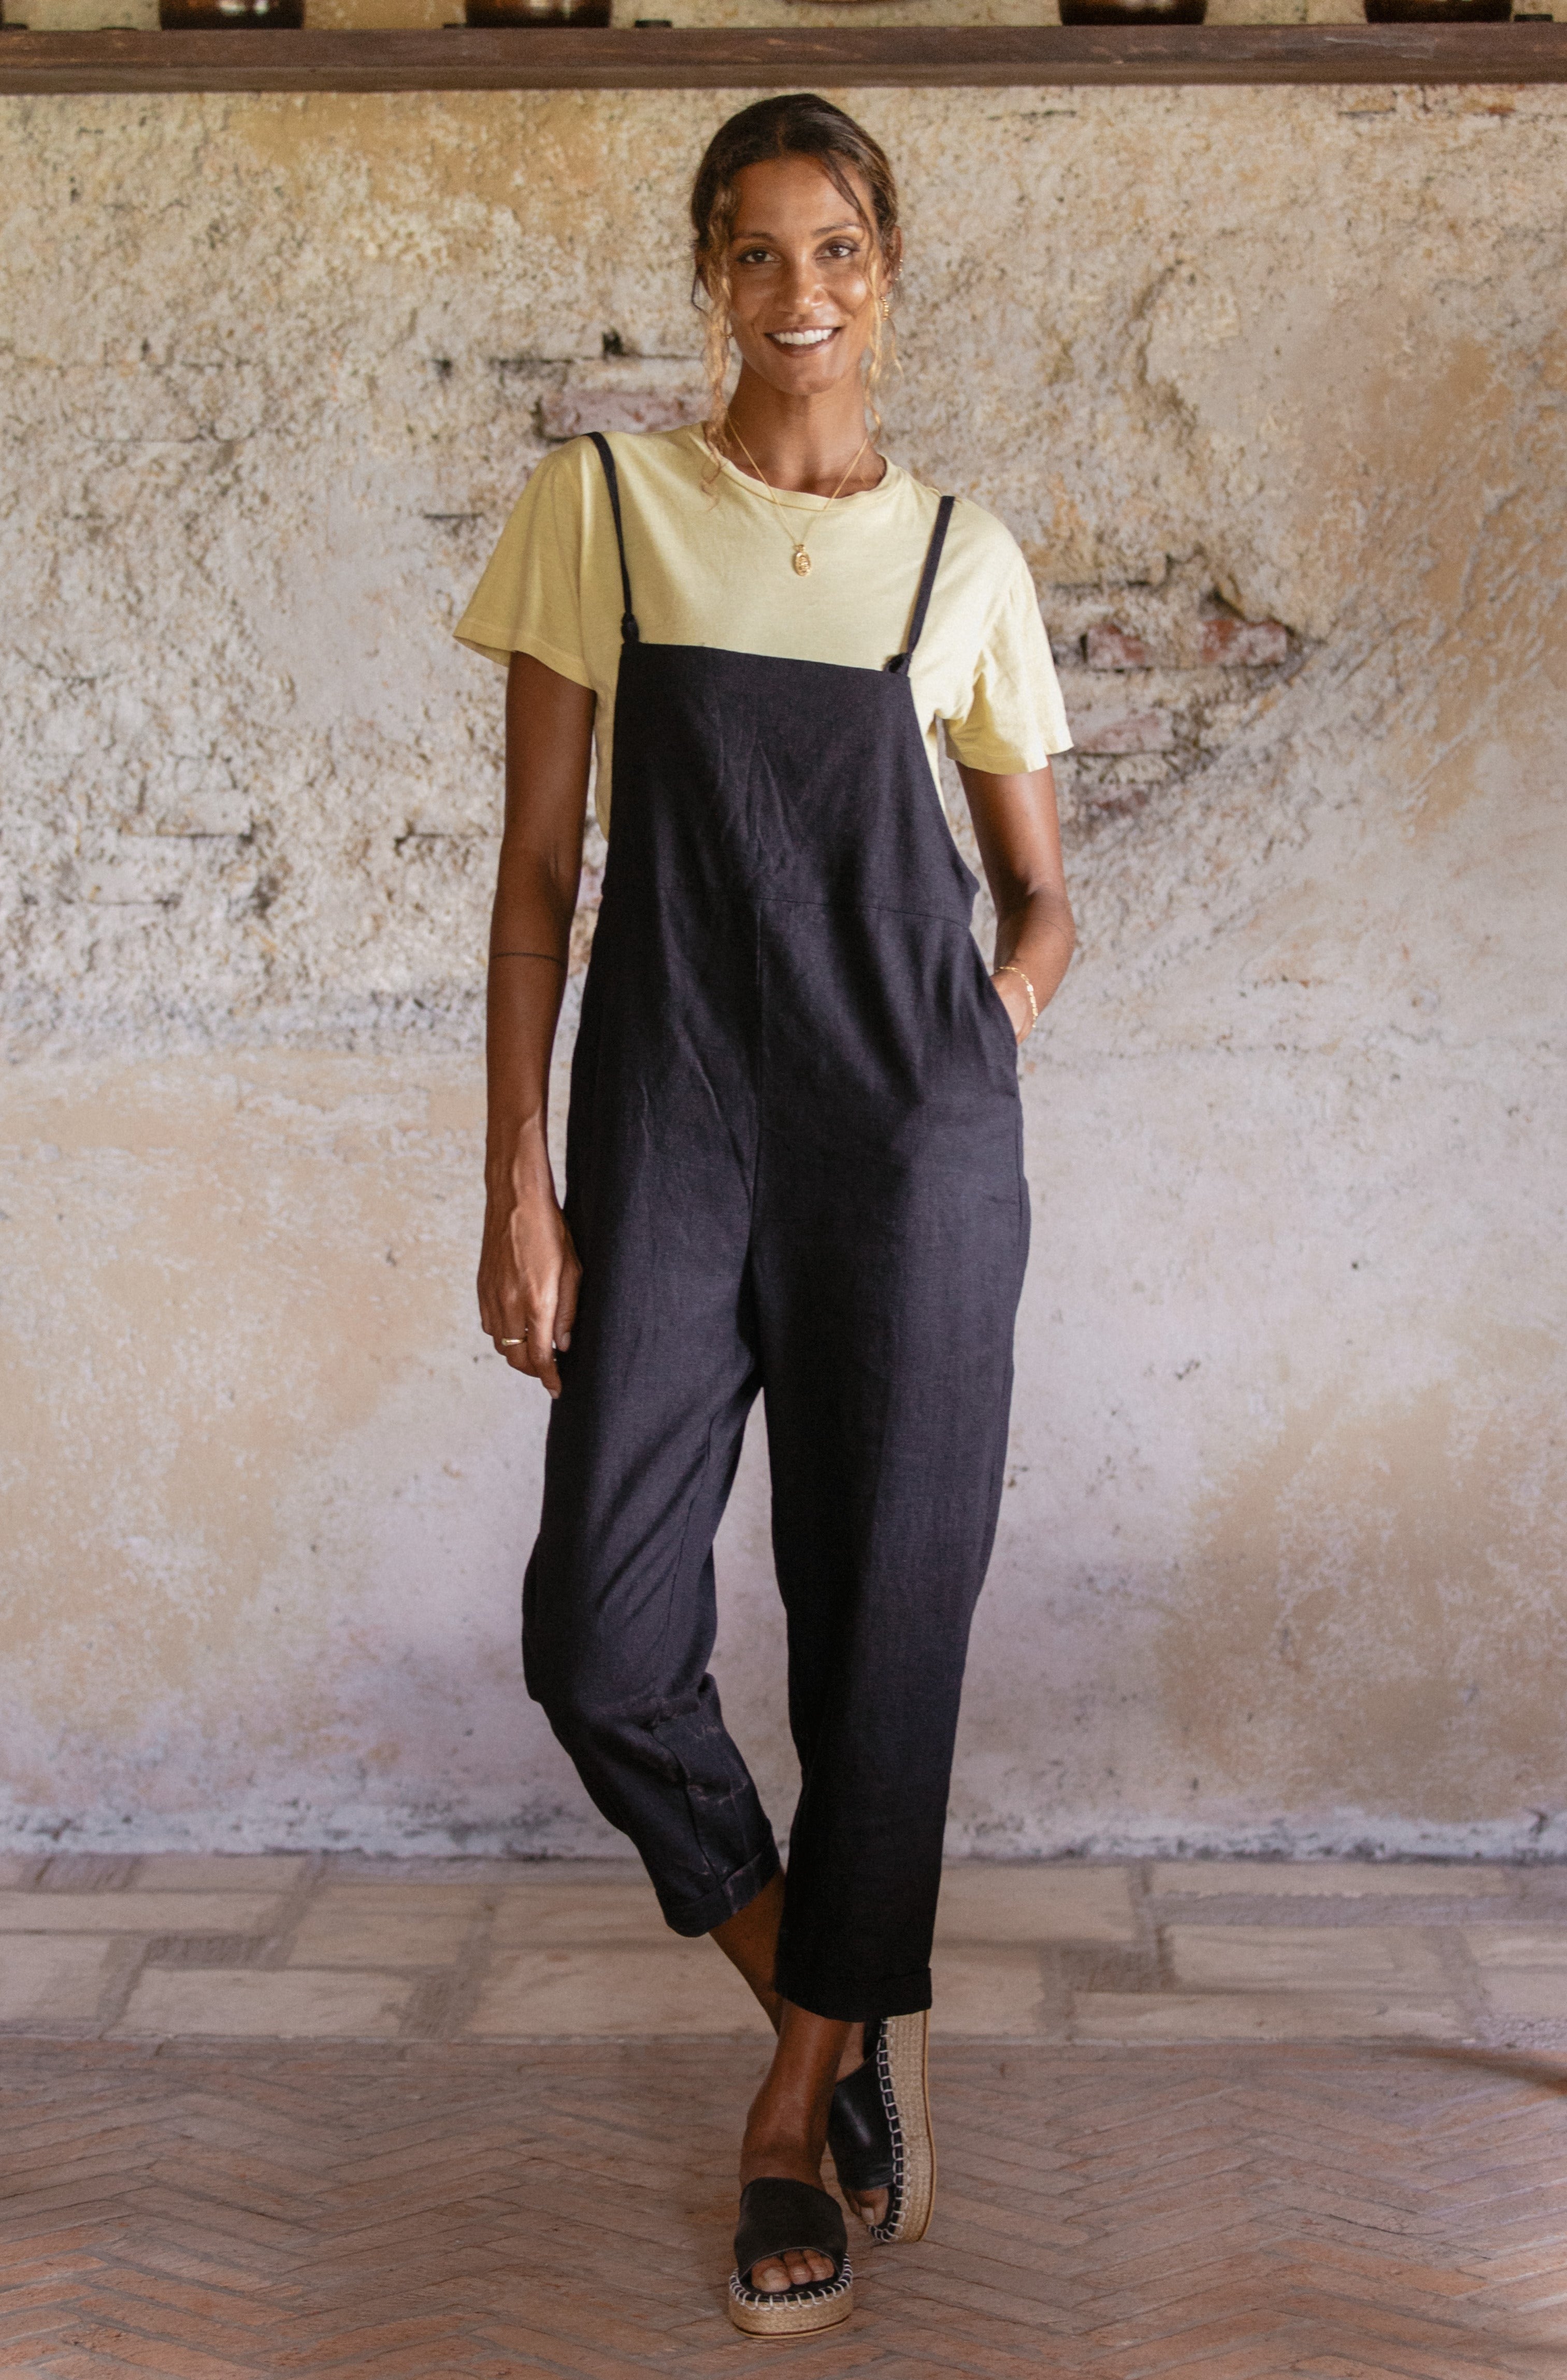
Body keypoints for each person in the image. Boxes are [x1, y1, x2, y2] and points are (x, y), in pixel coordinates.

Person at [457, 92, 1075, 2339]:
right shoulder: (604, 508)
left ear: (884, 276)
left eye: (835, 250)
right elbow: (539, 876)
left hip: (907, 1148)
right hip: (673, 1124)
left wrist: (977, 1040)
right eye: (753, 251)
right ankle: (834, 1962)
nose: (795, 292)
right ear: (707, 279)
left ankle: (795, 2106)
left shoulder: (961, 558)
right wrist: (517, 1177)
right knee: (599, 1637)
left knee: (883, 1619)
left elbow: (1041, 897)